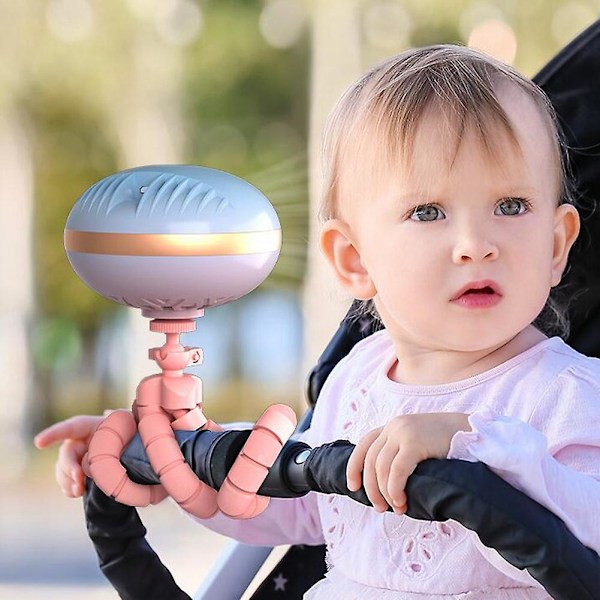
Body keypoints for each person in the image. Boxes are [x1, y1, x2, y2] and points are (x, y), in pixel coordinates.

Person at [35, 45, 600, 599]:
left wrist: (475, 448)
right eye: (428, 212)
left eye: (511, 206)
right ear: (354, 261)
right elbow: (299, 503)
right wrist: (167, 457)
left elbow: (588, 540)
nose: (476, 245)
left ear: (556, 246)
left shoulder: (566, 395)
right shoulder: (360, 377)